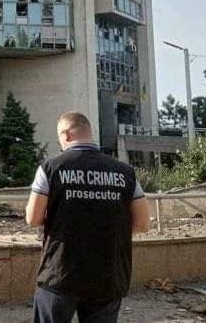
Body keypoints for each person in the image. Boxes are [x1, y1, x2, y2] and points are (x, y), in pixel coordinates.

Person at [26, 112, 150, 323]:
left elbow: (33, 218)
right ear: (89, 133)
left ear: (66, 135)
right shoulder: (125, 172)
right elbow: (143, 224)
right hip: (109, 274)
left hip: (60, 274)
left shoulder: (50, 168)